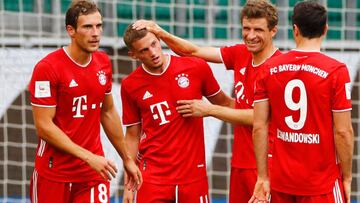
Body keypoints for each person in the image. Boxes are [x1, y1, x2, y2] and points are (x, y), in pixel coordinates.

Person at [131, 0, 280, 202]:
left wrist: (209, 110)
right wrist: (161, 33)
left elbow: (260, 118)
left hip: (268, 164)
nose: (251, 35)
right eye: (246, 28)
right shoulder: (240, 53)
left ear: (273, 31)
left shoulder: (279, 68)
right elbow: (193, 52)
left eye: (258, 30)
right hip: (240, 162)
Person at [28, 1, 142, 202]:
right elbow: (44, 126)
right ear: (71, 30)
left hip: (93, 174)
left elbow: (107, 112)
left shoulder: (103, 62)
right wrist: (89, 157)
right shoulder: (47, 68)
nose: (96, 33)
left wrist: (127, 158)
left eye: (99, 26)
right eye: (88, 27)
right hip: (54, 173)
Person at [250, 1, 354, 203]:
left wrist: (263, 177)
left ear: (294, 30)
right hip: (321, 184)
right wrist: (347, 177)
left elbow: (259, 126)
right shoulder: (336, 71)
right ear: (325, 29)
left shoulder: (268, 68)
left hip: (281, 182)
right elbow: (343, 131)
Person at [121, 24, 233, 203]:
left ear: (159, 40)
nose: (153, 53)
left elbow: (226, 104)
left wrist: (256, 115)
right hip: (152, 178)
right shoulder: (130, 85)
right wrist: (128, 183)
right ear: (133, 55)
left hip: (192, 176)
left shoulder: (195, 67)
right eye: (144, 50)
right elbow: (132, 135)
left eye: (154, 44)